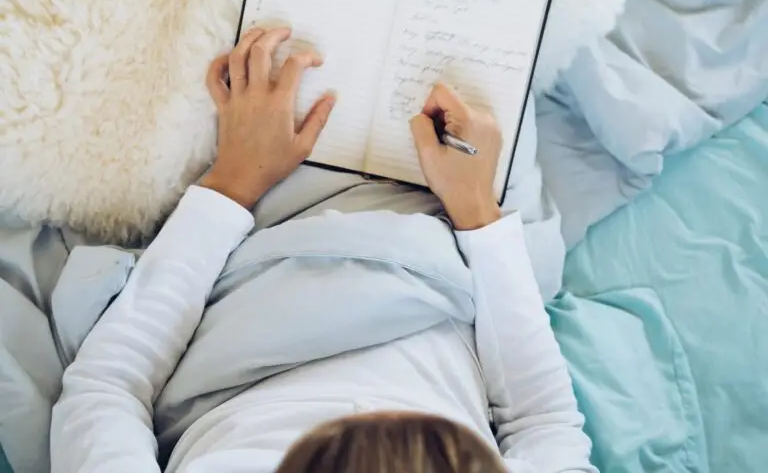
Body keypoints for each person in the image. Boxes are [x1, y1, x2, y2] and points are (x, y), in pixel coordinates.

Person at [49, 27, 596, 472]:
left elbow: (109, 385)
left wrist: (234, 179)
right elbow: (541, 421)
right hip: (457, 259)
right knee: (498, 52)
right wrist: (477, 209)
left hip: (250, 260)